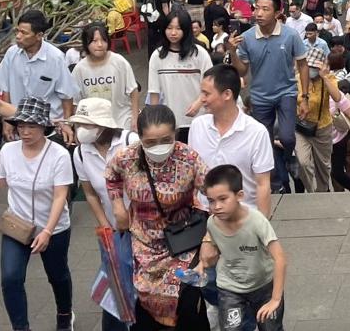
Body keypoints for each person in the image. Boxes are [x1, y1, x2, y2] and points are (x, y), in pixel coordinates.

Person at [105, 104, 209, 329]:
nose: (159, 147)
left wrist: (212, 235)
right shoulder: (127, 157)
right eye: (150, 142)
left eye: (166, 139)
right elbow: (111, 175)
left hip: (182, 242)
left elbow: (214, 191)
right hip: (142, 243)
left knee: (187, 304)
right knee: (143, 307)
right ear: (140, 138)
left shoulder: (188, 158)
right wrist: (117, 206)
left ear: (175, 135)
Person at [0, 98, 75, 331]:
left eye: (32, 126)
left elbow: (60, 196)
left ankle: (64, 315)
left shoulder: (59, 154)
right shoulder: (8, 150)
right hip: (17, 225)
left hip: (53, 227)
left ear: (44, 126)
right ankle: (20, 327)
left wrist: (47, 231)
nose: (25, 131)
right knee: (11, 278)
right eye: (21, 125)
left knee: (58, 276)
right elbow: (1, 180)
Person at [67, 98, 138, 330]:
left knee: (142, 283)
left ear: (103, 125)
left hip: (143, 227)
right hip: (112, 230)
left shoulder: (130, 142)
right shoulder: (80, 153)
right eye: (79, 125)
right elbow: (90, 193)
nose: (82, 130)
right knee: (116, 283)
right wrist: (105, 224)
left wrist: (129, 218)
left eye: (87, 125)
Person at [230, 0, 309, 194]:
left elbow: (303, 64)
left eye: (265, 9)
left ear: (277, 12)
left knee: (287, 138)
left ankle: (288, 158)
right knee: (263, 142)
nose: (259, 13)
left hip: (286, 93)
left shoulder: (290, 35)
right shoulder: (247, 37)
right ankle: (276, 183)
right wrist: (231, 52)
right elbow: (242, 71)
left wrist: (304, 97)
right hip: (259, 97)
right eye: (257, 8)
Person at [198, 165, 288, 331]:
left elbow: (280, 258)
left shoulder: (257, 222)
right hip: (230, 288)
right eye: (211, 201)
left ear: (239, 195)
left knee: (270, 328)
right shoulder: (212, 222)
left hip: (264, 286)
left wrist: (275, 299)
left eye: (223, 199)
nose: (216, 206)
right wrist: (201, 264)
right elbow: (216, 246)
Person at [187, 65, 273, 215]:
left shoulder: (256, 132)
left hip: (243, 216)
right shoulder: (197, 126)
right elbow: (191, 174)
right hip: (203, 215)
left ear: (227, 94)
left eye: (206, 94)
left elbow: (263, 184)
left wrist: (263, 228)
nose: (202, 99)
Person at [0, 10, 77, 143]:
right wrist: (6, 121)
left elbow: (66, 95)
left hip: (49, 129)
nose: (18, 36)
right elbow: (5, 89)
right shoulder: (11, 53)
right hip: (18, 126)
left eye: (24, 33)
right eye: (17, 31)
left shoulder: (56, 58)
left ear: (39, 35)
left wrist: (66, 124)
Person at [146, 8, 214, 141]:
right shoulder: (157, 56)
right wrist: (154, 120)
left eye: (178, 28)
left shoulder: (199, 54)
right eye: (169, 28)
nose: (173, 33)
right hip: (169, 122)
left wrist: (199, 103)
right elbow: (154, 92)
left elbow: (210, 85)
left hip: (197, 119)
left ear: (186, 30)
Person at [72, 22, 140, 131]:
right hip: (94, 127)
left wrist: (135, 118)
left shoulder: (119, 62)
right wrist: (78, 128)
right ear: (86, 43)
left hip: (121, 122)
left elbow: (133, 91)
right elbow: (76, 103)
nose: (100, 44)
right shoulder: (79, 69)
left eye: (103, 40)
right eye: (94, 41)